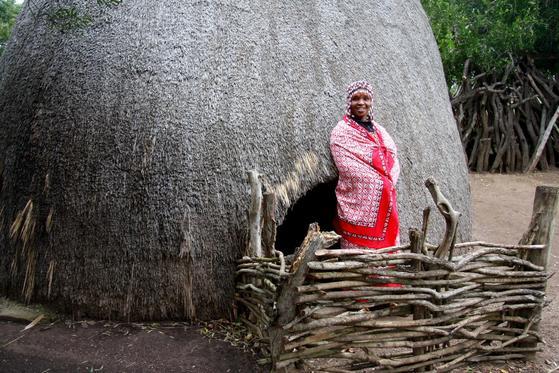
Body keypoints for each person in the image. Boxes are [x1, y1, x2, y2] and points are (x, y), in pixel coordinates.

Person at [330, 80, 400, 251]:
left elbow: (392, 154)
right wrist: (379, 182)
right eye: (356, 98)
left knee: (385, 187)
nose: (361, 103)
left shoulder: (380, 130)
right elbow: (347, 165)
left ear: (371, 102)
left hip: (386, 192)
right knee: (381, 186)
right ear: (349, 103)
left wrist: (386, 177)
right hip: (357, 199)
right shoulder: (341, 131)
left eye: (366, 98)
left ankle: (386, 264)